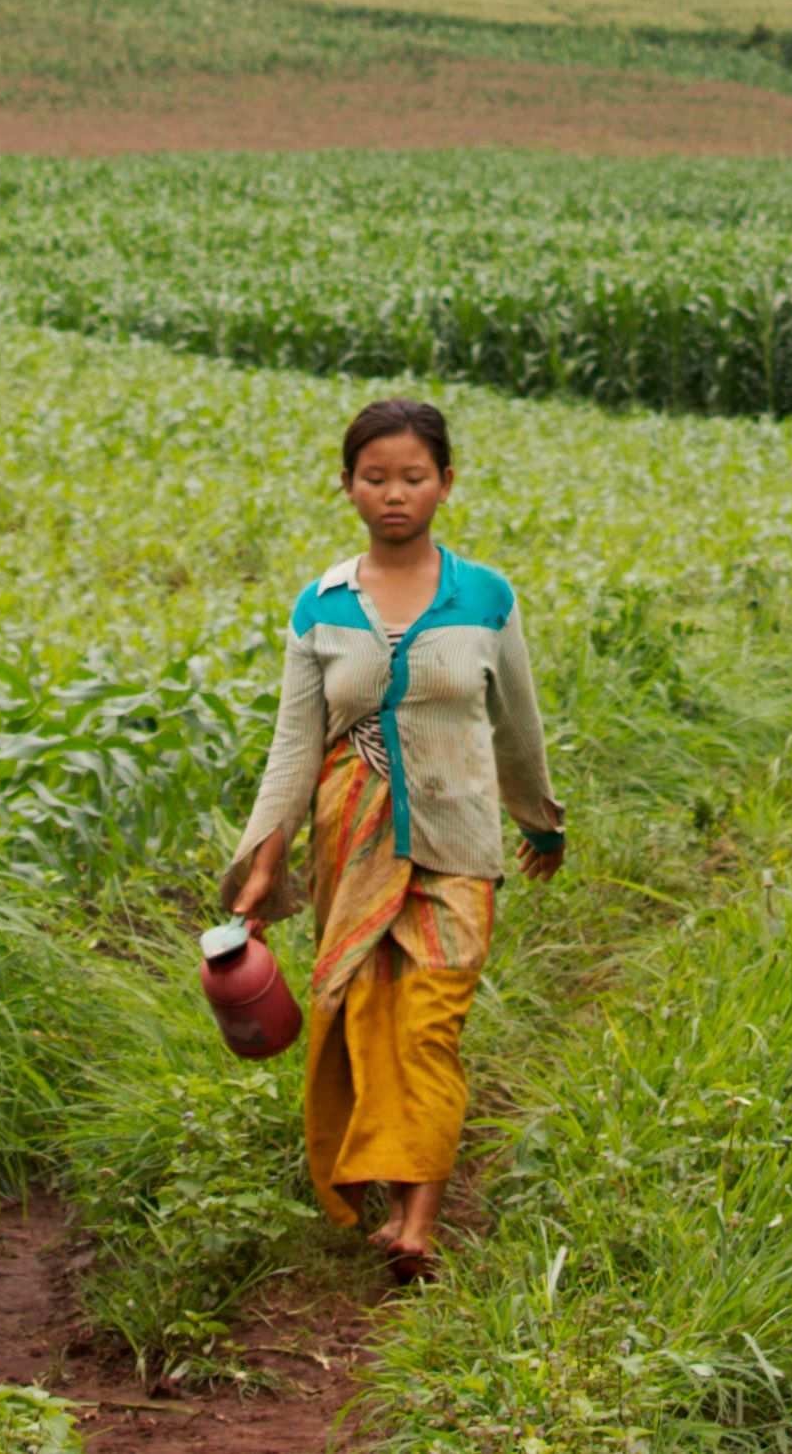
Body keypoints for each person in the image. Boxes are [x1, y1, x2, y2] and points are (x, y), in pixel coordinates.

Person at [221, 397, 564, 1284]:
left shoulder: (485, 598)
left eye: (414, 477)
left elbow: (516, 725)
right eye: (375, 478)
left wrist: (542, 822)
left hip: (459, 843)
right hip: (353, 846)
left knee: (429, 1021)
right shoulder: (322, 606)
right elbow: (293, 748)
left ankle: (420, 1214)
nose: (395, 495)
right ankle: (388, 1190)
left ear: (446, 483)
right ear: (347, 488)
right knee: (369, 1012)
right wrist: (264, 863)